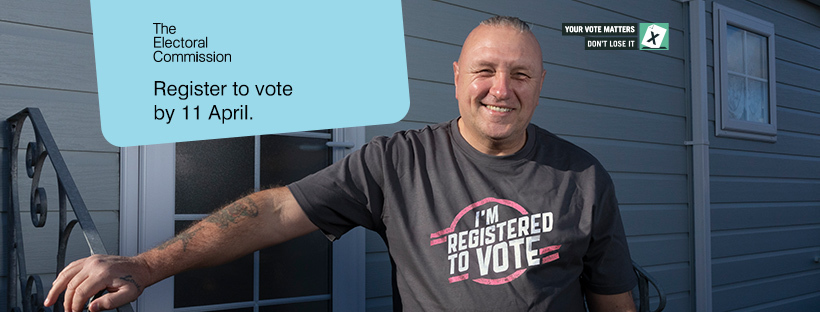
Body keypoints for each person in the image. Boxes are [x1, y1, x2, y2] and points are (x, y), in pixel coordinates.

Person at [45, 16, 637, 312]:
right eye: (485, 71)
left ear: (540, 84)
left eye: (520, 74)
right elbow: (274, 211)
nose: (501, 89)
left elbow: (613, 301)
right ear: (458, 78)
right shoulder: (398, 163)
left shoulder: (583, 178)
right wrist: (145, 267)